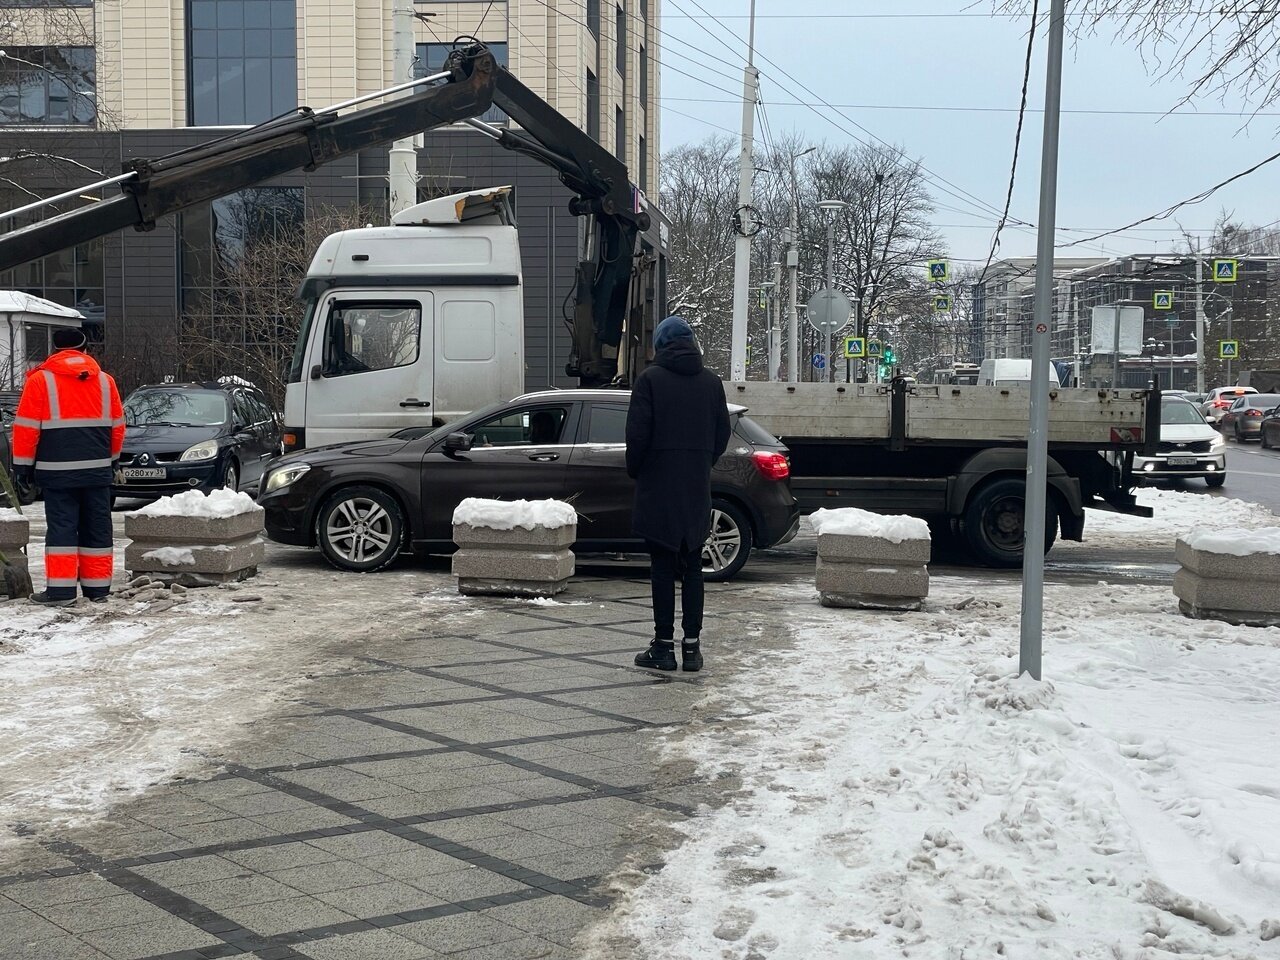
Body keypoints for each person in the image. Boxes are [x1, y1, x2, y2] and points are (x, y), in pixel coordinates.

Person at [625, 316, 731, 672]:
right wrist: (701, 462)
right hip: (695, 486)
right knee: (694, 567)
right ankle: (692, 648)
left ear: (661, 345)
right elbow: (721, 434)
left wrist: (639, 469)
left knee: (662, 566)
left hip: (659, 485)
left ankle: (663, 647)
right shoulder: (711, 383)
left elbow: (637, 436)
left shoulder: (650, 380)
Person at [10, 327, 125, 606]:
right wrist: (111, 461)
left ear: (55, 350)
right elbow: (117, 427)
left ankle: (60, 592)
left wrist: (23, 469)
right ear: (85, 349)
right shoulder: (105, 381)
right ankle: (98, 590)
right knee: (97, 527)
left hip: (56, 472)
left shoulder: (40, 381)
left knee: (62, 529)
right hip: (97, 471)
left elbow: (26, 429)